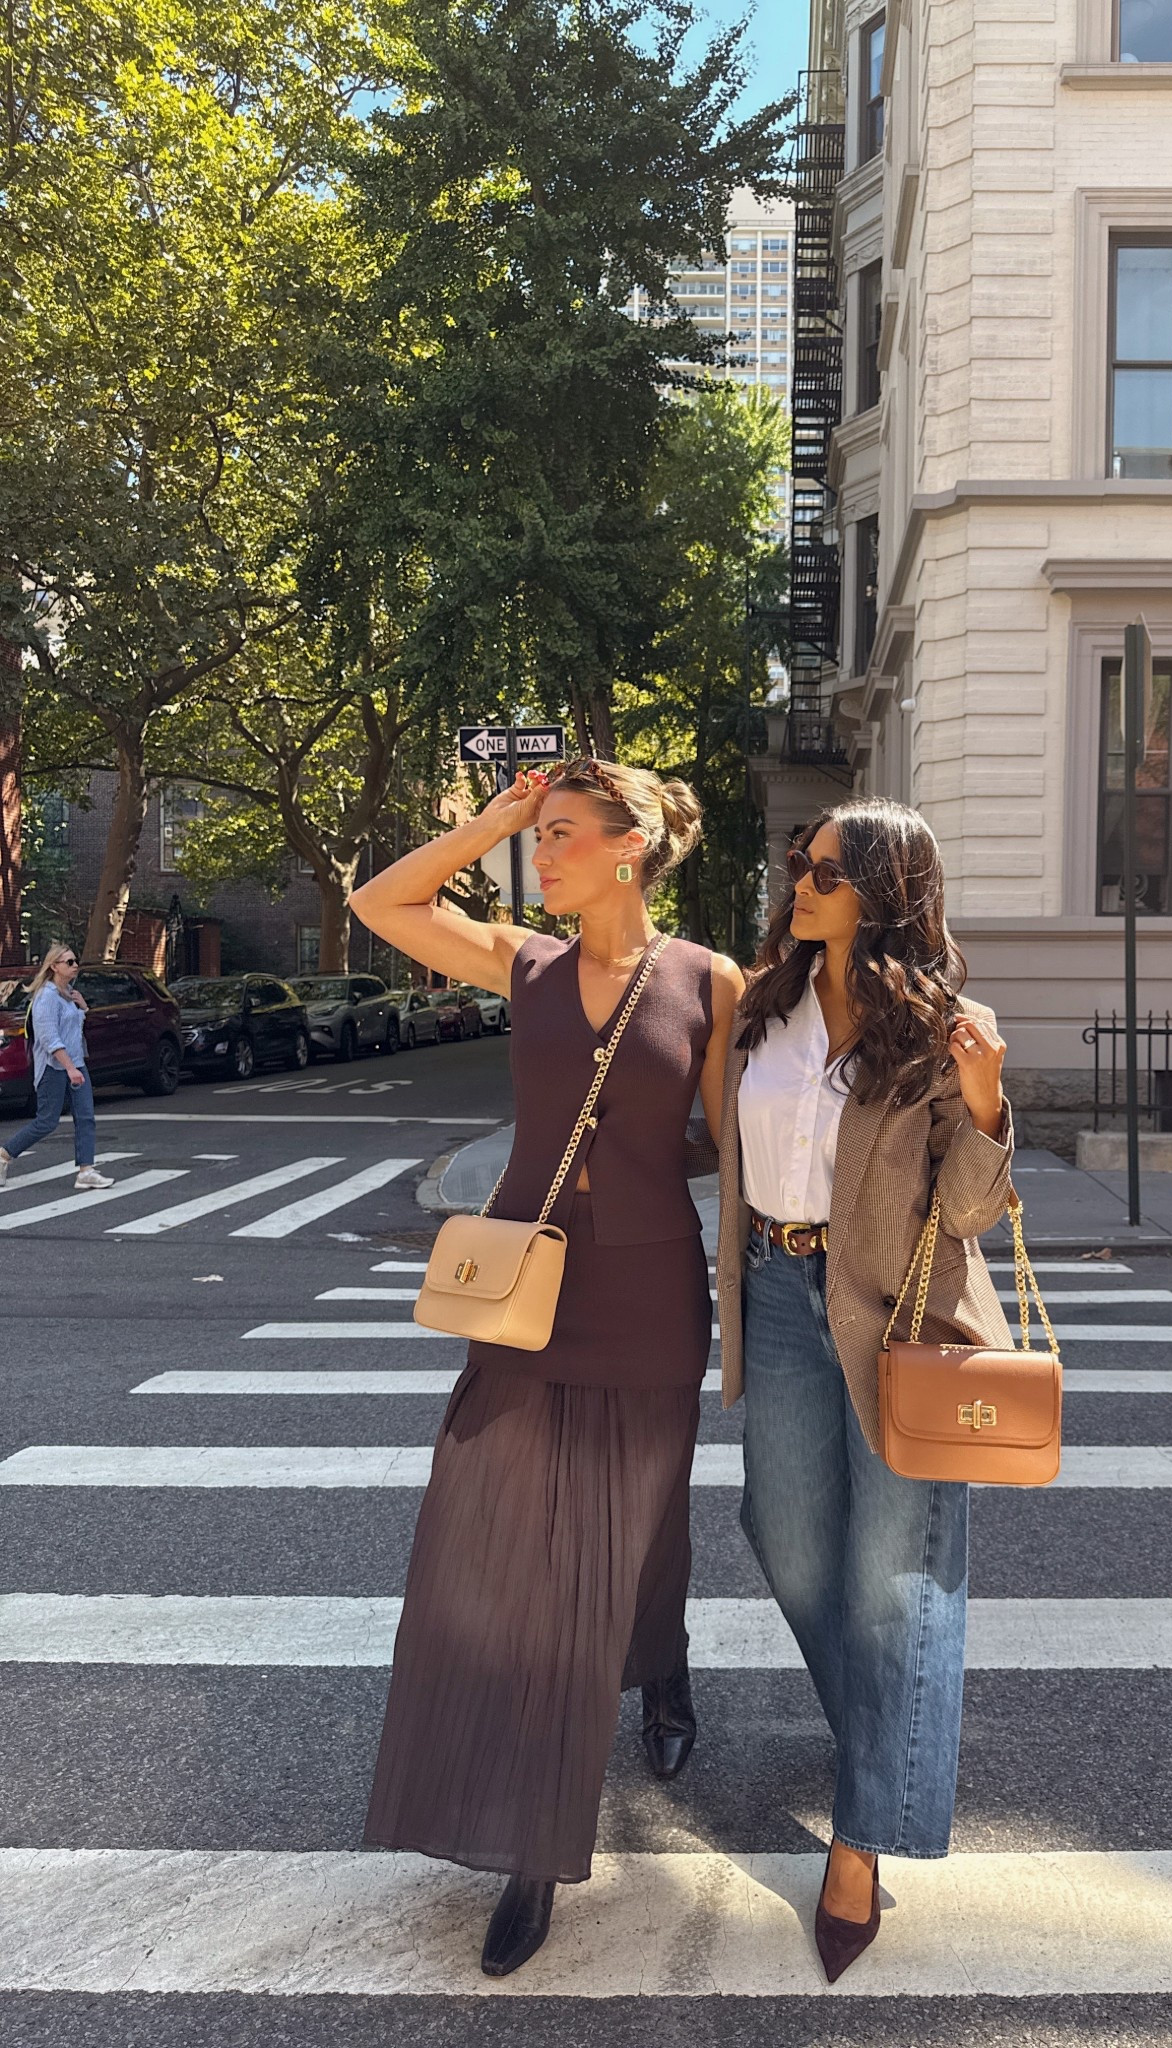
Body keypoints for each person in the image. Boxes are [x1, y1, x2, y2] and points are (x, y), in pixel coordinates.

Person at [349, 758, 743, 1977]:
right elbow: (383, 905)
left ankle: (662, 1665)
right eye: (542, 837)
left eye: (566, 834)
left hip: (651, 1291)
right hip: (526, 1287)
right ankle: (531, 1845)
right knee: (516, 1538)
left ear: (630, 848)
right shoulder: (523, 962)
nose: (545, 856)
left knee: (637, 1523)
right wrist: (492, 816)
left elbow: (736, 1145)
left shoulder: (706, 979)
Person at [713, 798, 1014, 1982]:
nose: (804, 880)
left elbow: (980, 1206)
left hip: (898, 1316)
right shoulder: (760, 1007)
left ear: (886, 889)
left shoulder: (944, 1026)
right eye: (800, 862)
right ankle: (886, 1760)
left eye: (828, 869)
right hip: (778, 1297)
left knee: (891, 1580)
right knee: (789, 1545)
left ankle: (859, 1834)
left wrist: (987, 1103)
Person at [0, 943, 115, 1191]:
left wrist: (82, 1008)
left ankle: (86, 1171)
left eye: (75, 961)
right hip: (54, 1068)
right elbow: (50, 1038)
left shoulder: (68, 993)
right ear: (54, 966)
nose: (75, 966)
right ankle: (4, 1155)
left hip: (76, 1064)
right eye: (69, 962)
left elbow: (72, 1031)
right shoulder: (46, 997)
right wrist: (69, 1068)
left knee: (85, 1117)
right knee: (47, 1122)